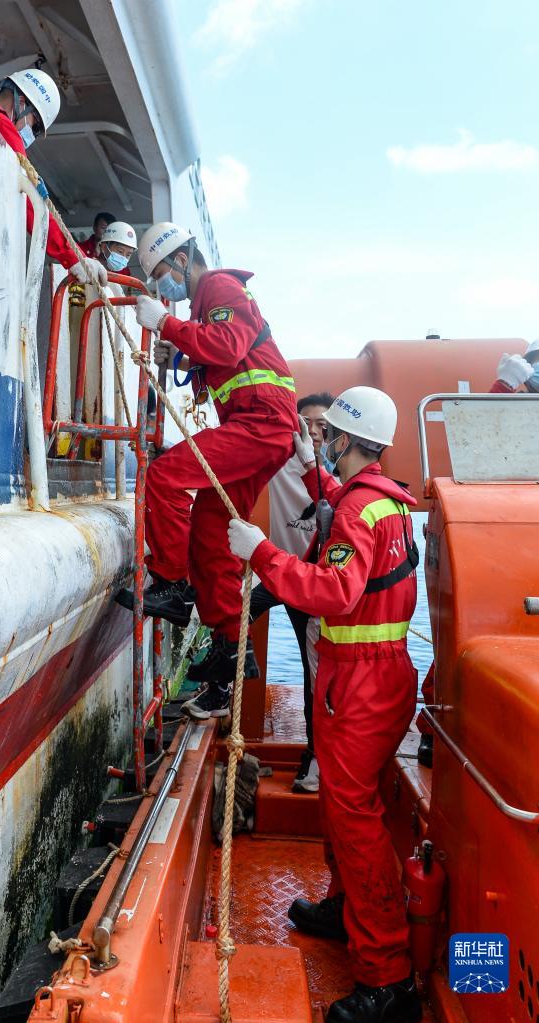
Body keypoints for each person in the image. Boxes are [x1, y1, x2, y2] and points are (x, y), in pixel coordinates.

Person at [228, 386, 422, 1023]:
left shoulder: (358, 508)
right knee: (348, 809)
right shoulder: (382, 501)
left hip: (358, 684)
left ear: (344, 438)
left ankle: (388, 979)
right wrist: (314, 470)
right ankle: (345, 909)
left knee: (355, 820)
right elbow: (343, 512)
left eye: (327, 434)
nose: (323, 440)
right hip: (382, 676)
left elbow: (335, 590)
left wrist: (259, 550)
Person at [115, 222, 298, 719]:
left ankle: (173, 585)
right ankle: (229, 658)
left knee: (165, 475)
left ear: (180, 260)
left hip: (260, 422)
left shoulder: (218, 286)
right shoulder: (205, 305)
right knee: (211, 533)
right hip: (259, 426)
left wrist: (167, 325)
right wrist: (183, 353)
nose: (163, 286)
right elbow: (225, 357)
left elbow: (229, 346)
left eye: (161, 273)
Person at [248, 391, 336, 793]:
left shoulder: (339, 479)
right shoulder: (277, 461)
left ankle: (314, 758)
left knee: (313, 675)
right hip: (276, 573)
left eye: (322, 426)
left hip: (310, 584)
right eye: (306, 424)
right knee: (230, 614)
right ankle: (225, 684)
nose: (313, 432)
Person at [0, 70, 107, 288]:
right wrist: (73, 256)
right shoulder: (5, 130)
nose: (32, 136)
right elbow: (32, 203)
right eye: (35, 126)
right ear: (21, 103)